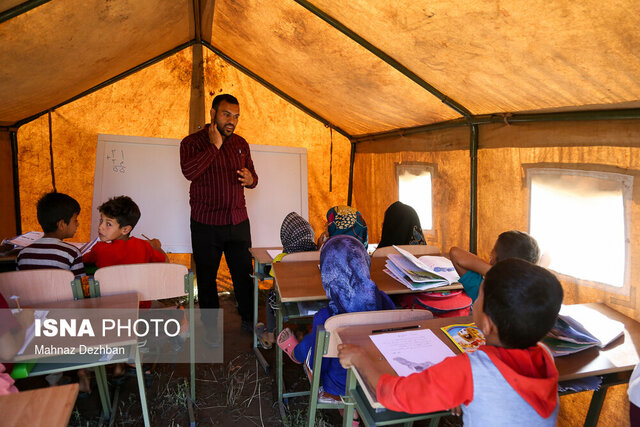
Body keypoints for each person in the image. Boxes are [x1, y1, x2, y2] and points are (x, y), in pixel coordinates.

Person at [338, 258, 563, 425]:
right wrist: (462, 390)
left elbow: (391, 394)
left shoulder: (468, 371)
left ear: (487, 324)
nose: (474, 301)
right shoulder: (545, 356)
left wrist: (360, 357)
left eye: (479, 296)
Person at [180, 94, 258, 340]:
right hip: (205, 224)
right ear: (213, 113)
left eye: (236, 116)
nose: (232, 121)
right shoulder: (192, 142)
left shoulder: (241, 143)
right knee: (206, 278)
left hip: (238, 222)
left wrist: (251, 179)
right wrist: (214, 146)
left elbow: (254, 177)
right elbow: (189, 172)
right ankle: (211, 330)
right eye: (227, 114)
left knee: (244, 274)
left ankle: (250, 319)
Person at [277, 235, 394, 400]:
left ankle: (297, 354)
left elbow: (317, 365)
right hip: (376, 377)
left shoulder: (327, 318)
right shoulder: (386, 302)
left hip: (339, 385)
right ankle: (354, 412)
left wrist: (311, 369)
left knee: (315, 344)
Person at [256, 212, 317, 349]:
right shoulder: (317, 256)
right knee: (304, 291)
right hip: (312, 304)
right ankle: (302, 331)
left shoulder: (281, 259)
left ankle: (270, 333)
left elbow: (275, 283)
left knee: (271, 295)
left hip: (289, 305)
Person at [449, 230, 540, 302]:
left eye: (491, 255)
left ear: (494, 260)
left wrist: (498, 273)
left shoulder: (483, 292)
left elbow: (455, 254)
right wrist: (508, 276)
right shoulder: (537, 295)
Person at [82, 195, 168, 268]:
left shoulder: (98, 249)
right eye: (101, 221)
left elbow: (81, 261)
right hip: (139, 288)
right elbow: (166, 262)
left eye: (108, 224)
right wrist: (157, 247)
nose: (100, 227)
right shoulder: (145, 247)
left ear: (125, 229)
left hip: (108, 288)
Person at [17, 192, 85, 278]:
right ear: (61, 225)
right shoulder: (72, 254)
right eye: (75, 220)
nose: (77, 224)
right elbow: (81, 288)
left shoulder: (23, 255)